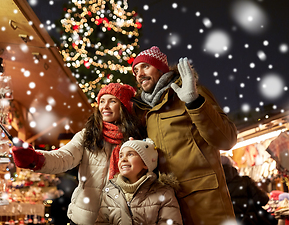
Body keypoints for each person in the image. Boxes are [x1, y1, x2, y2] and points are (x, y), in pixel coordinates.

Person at [11, 83, 147, 225]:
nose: (105, 106)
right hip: (85, 218)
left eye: (112, 101)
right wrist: (35, 159)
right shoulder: (88, 135)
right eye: (102, 101)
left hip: (121, 218)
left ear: (124, 106)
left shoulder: (135, 139)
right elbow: (64, 157)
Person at [131, 46, 238, 225]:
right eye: (135, 70)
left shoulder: (192, 93)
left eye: (145, 67)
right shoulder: (145, 112)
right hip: (169, 206)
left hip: (205, 200)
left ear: (160, 68)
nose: (139, 73)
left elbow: (227, 140)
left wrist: (194, 102)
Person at [95, 138, 183, 225]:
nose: (123, 159)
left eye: (130, 154)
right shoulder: (110, 192)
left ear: (145, 163)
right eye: (121, 155)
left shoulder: (164, 193)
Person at [221, 156, 277, 225]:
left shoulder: (214, 189)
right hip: (252, 221)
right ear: (231, 166)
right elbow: (263, 199)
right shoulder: (244, 181)